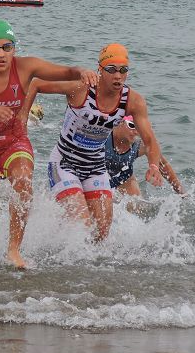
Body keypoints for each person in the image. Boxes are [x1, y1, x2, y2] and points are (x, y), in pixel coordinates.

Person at [0, 19, 97, 268]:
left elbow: (63, 71)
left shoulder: (25, 67)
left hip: (13, 140)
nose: (0, 54)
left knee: (23, 184)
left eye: (7, 47)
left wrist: (80, 70)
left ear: (14, 49)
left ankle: (13, 250)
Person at [31, 43, 163, 241]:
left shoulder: (133, 101)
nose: (117, 76)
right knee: (81, 224)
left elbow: (150, 140)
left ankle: (86, 268)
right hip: (64, 163)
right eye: (111, 70)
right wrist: (19, 121)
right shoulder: (81, 88)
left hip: (94, 166)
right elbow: (35, 84)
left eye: (123, 70)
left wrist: (154, 165)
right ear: (100, 69)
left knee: (102, 233)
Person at [105, 115, 184, 197]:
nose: (136, 131)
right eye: (131, 125)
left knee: (136, 206)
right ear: (121, 122)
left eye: (139, 128)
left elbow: (162, 164)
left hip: (123, 177)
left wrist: (182, 193)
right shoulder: (104, 136)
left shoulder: (140, 144)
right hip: (97, 175)